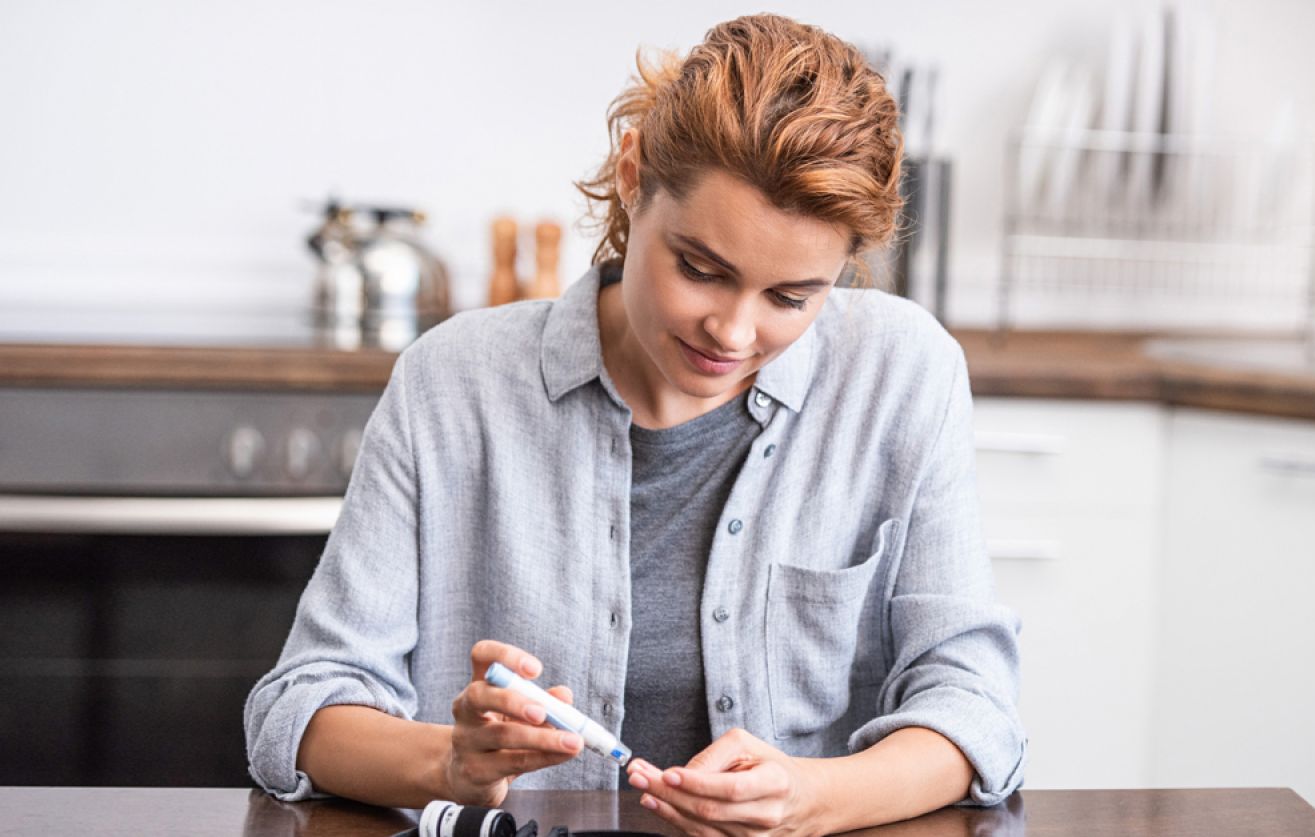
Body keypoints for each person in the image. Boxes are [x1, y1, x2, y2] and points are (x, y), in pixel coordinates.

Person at [244, 14, 1024, 835]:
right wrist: (448, 760)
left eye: (791, 297)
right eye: (700, 268)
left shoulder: (902, 375)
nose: (733, 331)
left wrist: (811, 798)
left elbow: (973, 703)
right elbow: (302, 705)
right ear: (632, 175)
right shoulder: (453, 384)